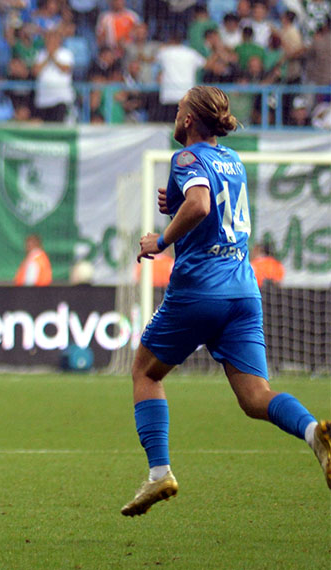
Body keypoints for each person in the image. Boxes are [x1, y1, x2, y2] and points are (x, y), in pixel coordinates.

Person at [124, 85, 330, 517]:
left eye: (180, 108)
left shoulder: (186, 157)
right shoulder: (232, 161)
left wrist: (159, 241)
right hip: (243, 289)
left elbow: (199, 205)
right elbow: (207, 204)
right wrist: (174, 202)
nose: (176, 114)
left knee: (145, 371)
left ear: (188, 120)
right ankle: (315, 434)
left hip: (201, 289)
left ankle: (159, 473)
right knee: (256, 396)